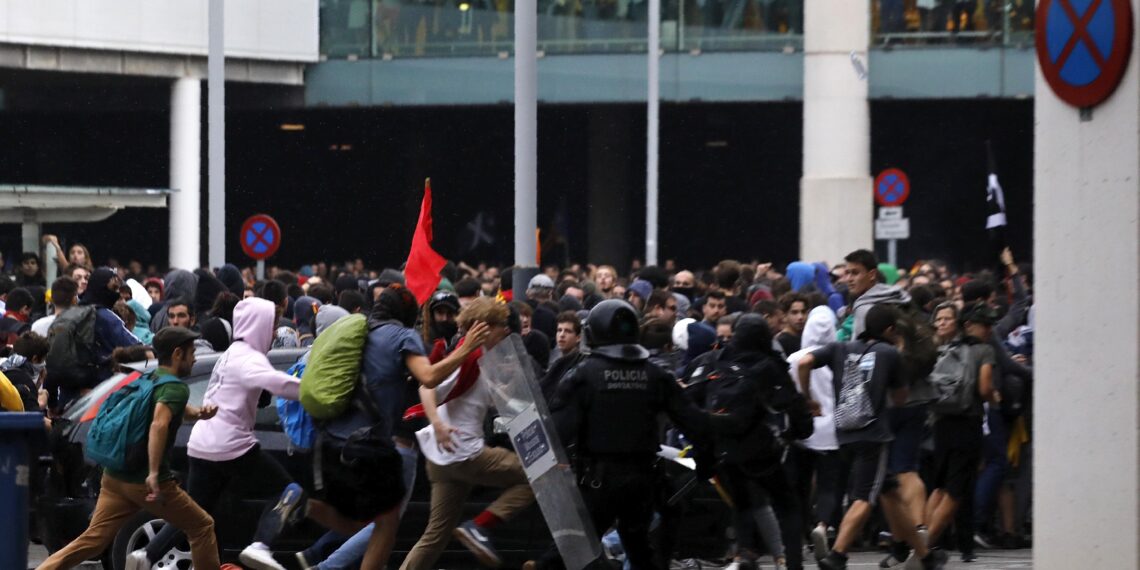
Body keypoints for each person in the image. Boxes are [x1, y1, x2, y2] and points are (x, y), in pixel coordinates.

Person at [130, 298, 354, 570]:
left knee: (195, 512)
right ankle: (260, 546)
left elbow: (251, 389)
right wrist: (317, 390)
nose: (273, 333)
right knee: (291, 491)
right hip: (232, 444)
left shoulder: (231, 353)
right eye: (271, 326)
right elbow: (279, 383)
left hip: (201, 444)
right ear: (258, 325)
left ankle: (146, 556)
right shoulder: (250, 358)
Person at [303, 287, 492, 569]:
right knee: (384, 525)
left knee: (368, 521)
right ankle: (320, 558)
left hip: (340, 441)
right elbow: (428, 378)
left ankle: (303, 512)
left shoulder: (358, 332)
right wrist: (466, 348)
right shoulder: (403, 336)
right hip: (380, 446)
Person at [528, 299, 713, 570]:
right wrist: (706, 462)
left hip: (598, 483)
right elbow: (695, 422)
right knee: (639, 548)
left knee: (568, 551)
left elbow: (557, 430)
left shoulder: (584, 374)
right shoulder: (655, 374)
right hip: (643, 481)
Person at [38, 327, 220, 570]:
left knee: (93, 540)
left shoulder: (151, 378)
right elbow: (159, 423)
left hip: (115, 478)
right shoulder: (175, 388)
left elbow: (169, 408)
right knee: (201, 526)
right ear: (177, 354)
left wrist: (198, 413)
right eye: (191, 353)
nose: (195, 358)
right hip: (145, 481)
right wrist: (154, 473)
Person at [796, 305, 947, 570]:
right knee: (865, 496)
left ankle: (925, 556)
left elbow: (805, 362)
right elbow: (900, 399)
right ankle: (838, 555)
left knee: (890, 493)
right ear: (890, 330)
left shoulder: (839, 348)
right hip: (873, 435)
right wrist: (898, 354)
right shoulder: (889, 352)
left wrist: (808, 399)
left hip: (843, 432)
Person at [400, 298, 537, 569]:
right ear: (483, 328)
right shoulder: (468, 356)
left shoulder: (480, 357)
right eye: (501, 326)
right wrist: (438, 425)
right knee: (537, 475)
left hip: (443, 459)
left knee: (435, 536)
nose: (507, 331)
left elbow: (491, 399)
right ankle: (479, 527)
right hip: (464, 452)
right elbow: (427, 387)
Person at [923, 302, 998, 558]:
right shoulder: (983, 350)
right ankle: (924, 549)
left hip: (941, 422)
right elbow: (984, 388)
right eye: (986, 325)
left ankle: (921, 539)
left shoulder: (942, 348)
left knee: (939, 487)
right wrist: (995, 398)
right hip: (967, 424)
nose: (989, 330)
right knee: (955, 492)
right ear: (969, 325)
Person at [784, 306, 843, 562]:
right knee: (829, 486)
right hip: (831, 431)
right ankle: (823, 526)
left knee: (799, 485)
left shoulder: (793, 359)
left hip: (802, 431)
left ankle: (799, 535)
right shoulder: (839, 356)